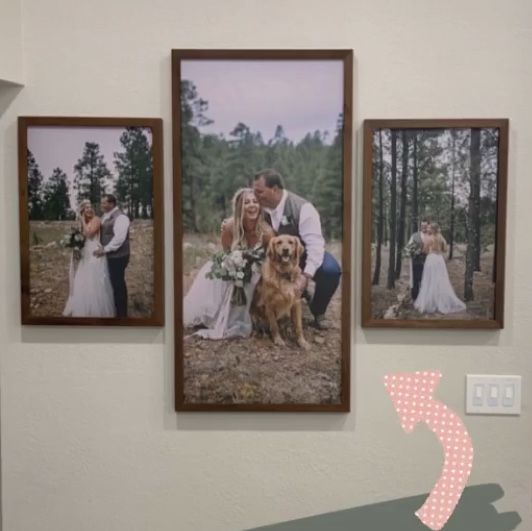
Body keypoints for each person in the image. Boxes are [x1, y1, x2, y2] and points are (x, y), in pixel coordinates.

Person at [253, 169, 341, 329]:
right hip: (272, 258)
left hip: (302, 256)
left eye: (259, 192)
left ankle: (318, 310)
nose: (256, 196)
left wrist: (305, 276)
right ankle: (264, 309)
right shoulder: (259, 207)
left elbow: (315, 246)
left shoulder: (303, 208)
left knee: (330, 271)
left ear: (274, 190)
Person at [184, 188, 273, 339]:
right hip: (233, 264)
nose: (252, 205)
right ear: (239, 207)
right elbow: (225, 253)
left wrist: (249, 269)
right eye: (247, 202)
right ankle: (214, 317)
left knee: (250, 279)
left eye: (255, 202)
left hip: (257, 268)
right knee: (216, 271)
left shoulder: (266, 231)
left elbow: (271, 257)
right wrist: (233, 267)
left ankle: (238, 320)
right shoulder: (229, 227)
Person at [63, 200, 115, 317]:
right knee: (83, 277)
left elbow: (89, 234)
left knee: (94, 278)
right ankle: (84, 307)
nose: (89, 209)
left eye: (90, 207)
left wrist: (81, 219)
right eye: (86, 208)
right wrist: (75, 244)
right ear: (83, 210)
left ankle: (97, 309)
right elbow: (81, 237)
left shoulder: (96, 219)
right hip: (85, 252)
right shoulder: (84, 221)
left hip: (94, 252)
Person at [414, 223, 467, 314]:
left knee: (430, 280)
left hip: (431, 259)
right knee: (440, 280)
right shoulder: (441, 238)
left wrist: (423, 250)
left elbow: (424, 250)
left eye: (430, 228)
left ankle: (430, 302)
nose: (428, 229)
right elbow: (445, 249)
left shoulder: (429, 238)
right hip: (439, 259)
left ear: (433, 229)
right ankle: (440, 301)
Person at [93, 194, 130, 317]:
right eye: (101, 203)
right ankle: (114, 309)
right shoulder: (105, 216)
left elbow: (119, 239)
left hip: (119, 256)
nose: (102, 205)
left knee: (118, 283)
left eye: (104, 203)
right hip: (110, 255)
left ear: (112, 204)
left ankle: (121, 314)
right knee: (111, 282)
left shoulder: (121, 218)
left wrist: (105, 249)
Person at [406, 219, 429, 301]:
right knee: (416, 279)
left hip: (428, 261)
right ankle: (415, 297)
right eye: (422, 226)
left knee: (426, 279)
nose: (424, 227)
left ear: (428, 226)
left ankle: (425, 297)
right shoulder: (414, 235)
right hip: (416, 261)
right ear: (420, 226)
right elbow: (408, 247)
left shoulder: (431, 235)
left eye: (425, 226)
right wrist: (412, 252)